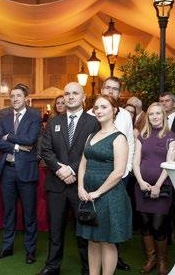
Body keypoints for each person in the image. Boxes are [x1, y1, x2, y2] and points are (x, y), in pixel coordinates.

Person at [39, 82, 97, 274]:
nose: (70, 97)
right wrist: (59, 170)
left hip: (81, 186)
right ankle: (52, 266)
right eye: (67, 94)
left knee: (83, 231)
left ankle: (88, 268)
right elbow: (45, 150)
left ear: (83, 97)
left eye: (75, 93)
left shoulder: (94, 122)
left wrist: (71, 170)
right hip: (56, 185)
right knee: (55, 230)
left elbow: (92, 152)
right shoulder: (54, 122)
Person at [77, 94, 131, 275]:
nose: (99, 111)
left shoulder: (119, 138)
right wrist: (80, 188)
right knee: (92, 239)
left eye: (104, 107)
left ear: (114, 110)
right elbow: (83, 164)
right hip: (88, 195)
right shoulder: (91, 135)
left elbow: (118, 172)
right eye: (96, 108)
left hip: (109, 197)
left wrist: (97, 192)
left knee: (107, 241)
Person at [0, 83, 42, 264]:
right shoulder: (4, 118)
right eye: (12, 96)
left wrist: (9, 137)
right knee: (9, 212)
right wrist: (17, 146)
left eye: (18, 96)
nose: (14, 99)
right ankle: (7, 248)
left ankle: (30, 251)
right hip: (7, 172)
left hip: (27, 172)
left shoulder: (34, 117)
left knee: (29, 214)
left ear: (25, 98)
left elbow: (30, 139)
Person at [133, 102, 175, 275]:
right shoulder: (142, 136)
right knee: (145, 225)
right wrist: (141, 182)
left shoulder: (171, 137)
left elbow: (169, 164)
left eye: (158, 113)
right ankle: (150, 259)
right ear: (147, 116)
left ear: (164, 116)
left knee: (159, 225)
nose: (155, 117)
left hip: (163, 188)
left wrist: (158, 185)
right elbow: (135, 162)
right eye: (151, 114)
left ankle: (162, 262)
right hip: (141, 186)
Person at [98, 76, 134, 271]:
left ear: (120, 93)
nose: (111, 91)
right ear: (102, 89)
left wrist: (126, 169)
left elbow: (131, 142)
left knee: (114, 220)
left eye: (115, 89)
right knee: (95, 220)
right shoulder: (91, 113)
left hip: (120, 176)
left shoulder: (126, 116)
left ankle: (115, 259)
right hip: (96, 176)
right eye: (108, 88)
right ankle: (91, 266)